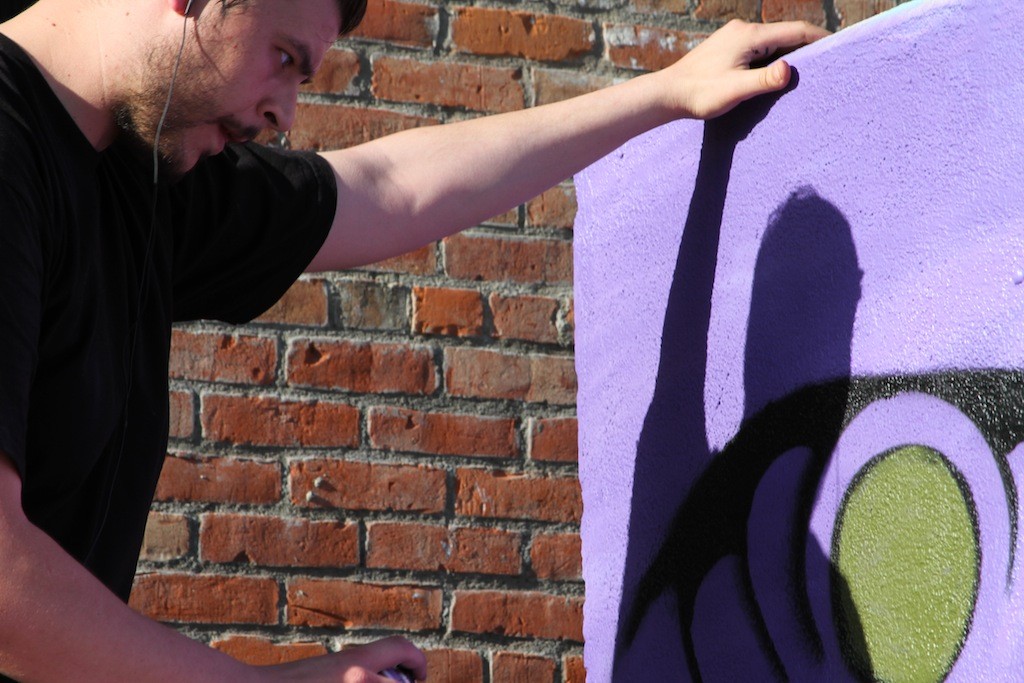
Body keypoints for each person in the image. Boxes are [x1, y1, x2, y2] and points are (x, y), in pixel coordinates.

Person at [0, 0, 828, 680]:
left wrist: (667, 93)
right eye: (284, 57)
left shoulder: (146, 174)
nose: (283, 112)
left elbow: (389, 187)